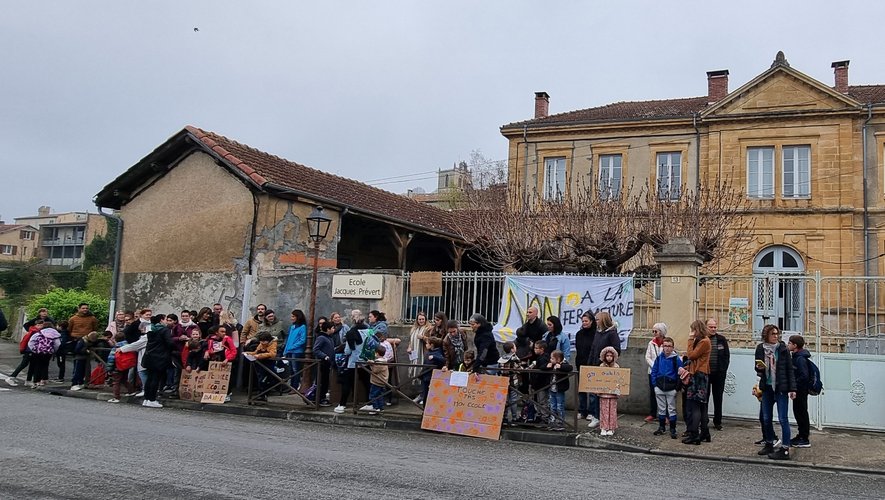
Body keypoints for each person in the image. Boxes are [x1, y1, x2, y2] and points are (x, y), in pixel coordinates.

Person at [755, 324, 796, 460]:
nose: (775, 336)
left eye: (777, 334)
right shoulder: (761, 348)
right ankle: (769, 443)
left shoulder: (782, 349)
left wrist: (792, 388)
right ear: (766, 335)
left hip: (780, 388)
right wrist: (759, 368)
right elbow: (758, 368)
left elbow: (789, 369)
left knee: (783, 419)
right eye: (773, 334)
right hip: (766, 387)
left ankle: (785, 449)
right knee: (766, 418)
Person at [680, 319, 712, 445]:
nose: (692, 332)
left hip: (699, 375)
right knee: (702, 406)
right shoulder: (703, 341)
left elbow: (691, 355)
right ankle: (705, 433)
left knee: (695, 405)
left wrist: (689, 340)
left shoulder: (704, 341)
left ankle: (694, 434)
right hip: (700, 373)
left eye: (693, 330)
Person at [588, 311, 620, 429]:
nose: (595, 322)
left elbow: (616, 350)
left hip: (606, 368)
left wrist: (605, 360)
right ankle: (596, 415)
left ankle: (604, 418)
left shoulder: (611, 334)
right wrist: (590, 363)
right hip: (596, 367)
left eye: (597, 319)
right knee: (595, 393)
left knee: (604, 395)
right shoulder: (598, 333)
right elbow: (593, 348)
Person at [651, 336, 682, 439]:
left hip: (671, 388)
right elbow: (654, 371)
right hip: (659, 386)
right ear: (662, 347)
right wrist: (655, 384)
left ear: (673, 347)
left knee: (672, 409)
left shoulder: (676, 359)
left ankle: (673, 429)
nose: (667, 348)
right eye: (665, 346)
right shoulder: (659, 358)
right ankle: (661, 427)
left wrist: (676, 388)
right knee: (661, 409)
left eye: (669, 346)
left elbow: (680, 373)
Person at [142, 314, 174, 408]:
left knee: (149, 378)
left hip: (149, 356)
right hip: (160, 357)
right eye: (165, 319)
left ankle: (146, 399)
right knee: (156, 379)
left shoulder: (151, 329)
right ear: (161, 320)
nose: (166, 321)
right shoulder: (164, 330)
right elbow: (170, 343)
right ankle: (152, 399)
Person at [333, 321, 364, 413]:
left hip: (352, 364)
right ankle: (363, 403)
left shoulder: (350, 336)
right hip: (364, 363)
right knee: (365, 382)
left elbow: (347, 351)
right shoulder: (366, 333)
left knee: (347, 383)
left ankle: (342, 404)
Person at [788, 335, 812, 448]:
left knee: (801, 412)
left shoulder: (800, 358)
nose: (788, 345)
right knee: (798, 412)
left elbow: (804, 376)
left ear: (795, 345)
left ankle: (804, 437)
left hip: (801, 390)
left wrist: (795, 384)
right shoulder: (797, 356)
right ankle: (801, 435)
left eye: (789, 343)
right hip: (798, 389)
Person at [707, 317, 731, 430]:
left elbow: (727, 356)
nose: (713, 329)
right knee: (704, 398)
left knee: (718, 398)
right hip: (705, 374)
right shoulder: (703, 339)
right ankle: (704, 419)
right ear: (706, 327)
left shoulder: (721, 339)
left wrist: (723, 369)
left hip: (719, 374)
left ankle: (717, 422)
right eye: (711, 327)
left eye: (715, 327)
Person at [543, 349, 573, 431]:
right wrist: (547, 366)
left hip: (559, 389)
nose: (550, 360)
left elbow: (570, 368)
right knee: (552, 406)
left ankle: (560, 422)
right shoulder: (551, 365)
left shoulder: (563, 364)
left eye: (552, 358)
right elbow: (542, 367)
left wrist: (561, 366)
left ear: (558, 359)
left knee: (560, 406)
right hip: (552, 388)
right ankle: (553, 421)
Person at [6, 319, 41, 386]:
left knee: (31, 365)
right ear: (37, 325)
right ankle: (11, 377)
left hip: (30, 351)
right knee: (24, 364)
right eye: (40, 325)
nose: (41, 326)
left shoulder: (33, 331)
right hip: (30, 351)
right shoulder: (35, 332)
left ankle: (28, 380)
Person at [644, 323, 667, 422]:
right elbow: (647, 357)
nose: (654, 333)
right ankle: (653, 413)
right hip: (652, 372)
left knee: (664, 393)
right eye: (653, 331)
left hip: (663, 372)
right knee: (653, 393)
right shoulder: (651, 343)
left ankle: (665, 415)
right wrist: (654, 366)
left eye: (656, 331)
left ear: (661, 332)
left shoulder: (666, 343)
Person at [245, 332, 278, 401]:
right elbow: (256, 352)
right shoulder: (261, 344)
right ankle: (261, 394)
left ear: (268, 340)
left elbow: (272, 354)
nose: (262, 343)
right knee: (260, 378)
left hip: (268, 364)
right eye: (261, 341)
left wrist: (259, 356)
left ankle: (263, 394)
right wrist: (248, 353)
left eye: (264, 341)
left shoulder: (273, 344)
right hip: (261, 365)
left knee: (264, 379)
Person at [28, 321, 61, 386]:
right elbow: (57, 344)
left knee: (38, 366)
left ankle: (36, 381)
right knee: (45, 365)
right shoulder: (55, 333)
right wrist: (53, 350)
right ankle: (43, 380)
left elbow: (31, 341)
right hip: (48, 352)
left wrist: (34, 349)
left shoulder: (39, 333)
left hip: (38, 351)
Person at [498, 341, 523, 426]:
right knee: (513, 400)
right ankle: (514, 418)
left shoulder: (502, 357)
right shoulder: (514, 357)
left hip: (503, 381)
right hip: (513, 381)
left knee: (505, 400)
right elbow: (519, 368)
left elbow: (499, 370)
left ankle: (504, 418)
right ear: (512, 349)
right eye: (515, 347)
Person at [108, 332, 136, 403]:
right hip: (127, 366)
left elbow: (111, 359)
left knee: (116, 382)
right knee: (124, 379)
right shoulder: (128, 346)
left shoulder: (116, 348)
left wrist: (109, 369)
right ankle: (131, 391)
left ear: (116, 339)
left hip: (117, 367)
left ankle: (116, 397)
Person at [598, 346, 620, 436]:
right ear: (604, 356)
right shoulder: (601, 366)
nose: (609, 358)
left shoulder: (616, 366)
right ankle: (604, 427)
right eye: (607, 356)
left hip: (613, 393)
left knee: (612, 411)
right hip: (603, 393)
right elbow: (598, 379)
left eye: (611, 356)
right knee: (604, 410)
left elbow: (620, 379)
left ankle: (611, 428)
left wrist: (618, 390)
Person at [527, 340, 551, 424]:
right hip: (536, 384)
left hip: (541, 384)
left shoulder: (544, 358)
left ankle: (544, 418)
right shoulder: (539, 357)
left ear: (542, 349)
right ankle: (539, 416)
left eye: (536, 348)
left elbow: (543, 369)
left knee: (542, 401)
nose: (534, 349)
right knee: (537, 401)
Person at [360, 345, 389, 415]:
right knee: (380, 395)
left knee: (373, 395)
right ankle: (381, 408)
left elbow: (374, 370)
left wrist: (370, 364)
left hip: (377, 382)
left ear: (376, 353)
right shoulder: (384, 360)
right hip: (383, 381)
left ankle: (376, 408)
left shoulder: (378, 362)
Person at [283, 309, 307, 390]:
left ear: (298, 317)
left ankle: (295, 387)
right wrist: (286, 350)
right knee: (291, 370)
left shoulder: (302, 327)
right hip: (290, 351)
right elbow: (288, 339)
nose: (291, 318)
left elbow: (302, 340)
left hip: (297, 351)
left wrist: (292, 347)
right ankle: (291, 387)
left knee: (295, 370)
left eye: (293, 316)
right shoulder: (292, 327)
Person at [313, 321, 335, 406]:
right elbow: (316, 349)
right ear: (328, 329)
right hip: (322, 363)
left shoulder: (329, 338)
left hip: (328, 363)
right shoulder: (321, 338)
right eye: (332, 328)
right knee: (321, 381)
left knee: (325, 381)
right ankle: (319, 398)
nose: (334, 329)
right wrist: (324, 356)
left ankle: (322, 397)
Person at [419, 337, 446, 405]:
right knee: (425, 395)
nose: (426, 345)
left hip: (430, 377)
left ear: (432, 345)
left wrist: (434, 357)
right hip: (426, 377)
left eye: (427, 343)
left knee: (429, 396)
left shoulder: (437, 353)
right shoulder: (429, 352)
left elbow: (442, 360)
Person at [407, 312, 432, 382]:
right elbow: (410, 340)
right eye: (419, 319)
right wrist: (409, 347)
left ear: (426, 319)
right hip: (414, 353)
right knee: (414, 369)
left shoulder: (429, 329)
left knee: (423, 371)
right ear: (417, 320)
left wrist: (423, 337)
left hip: (423, 353)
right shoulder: (414, 329)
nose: (421, 321)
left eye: (423, 319)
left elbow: (431, 340)